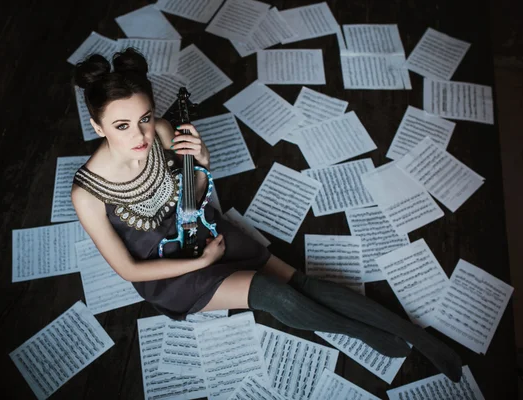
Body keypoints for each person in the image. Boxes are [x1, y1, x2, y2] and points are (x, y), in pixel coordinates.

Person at [71, 47, 463, 382]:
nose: (139, 135)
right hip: (167, 274)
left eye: (143, 117)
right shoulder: (86, 195)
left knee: (300, 282)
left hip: (201, 230)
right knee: (277, 296)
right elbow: (129, 270)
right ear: (97, 125)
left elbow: (192, 199)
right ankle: (360, 331)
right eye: (122, 125)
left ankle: (419, 338)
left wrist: (202, 163)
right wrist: (204, 260)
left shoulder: (159, 131)